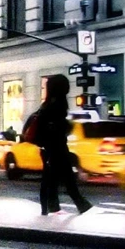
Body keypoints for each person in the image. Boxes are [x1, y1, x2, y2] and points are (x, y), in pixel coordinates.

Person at [36, 74, 92, 216]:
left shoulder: (49, 104)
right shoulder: (56, 104)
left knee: (53, 178)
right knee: (63, 177)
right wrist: (66, 126)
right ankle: (79, 204)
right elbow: (55, 126)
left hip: (52, 147)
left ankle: (53, 206)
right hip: (56, 146)